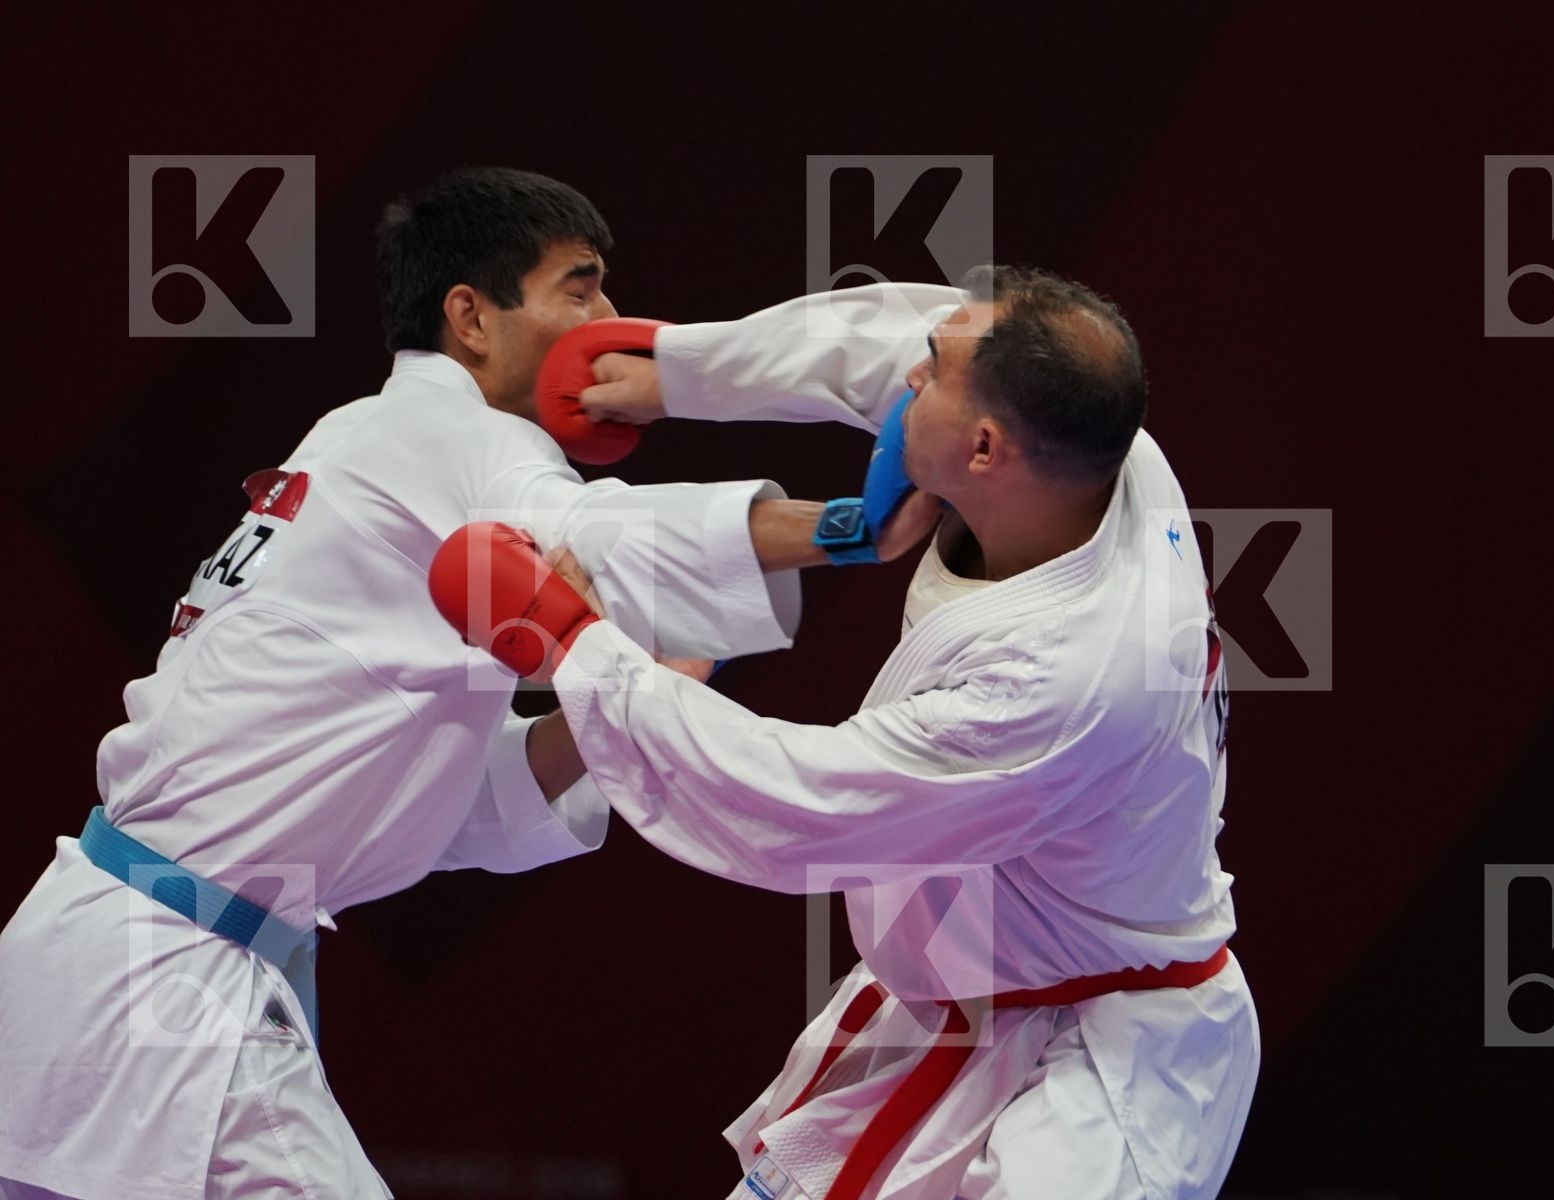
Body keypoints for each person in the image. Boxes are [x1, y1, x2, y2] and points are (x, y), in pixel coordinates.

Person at [0, 167, 925, 1200]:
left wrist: (606, 696)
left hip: (132, 956)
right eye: (579, 288)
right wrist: (845, 530)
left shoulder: (372, 444)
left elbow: (445, 809)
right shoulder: (449, 435)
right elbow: (594, 534)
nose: (609, 320)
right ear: (470, 318)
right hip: (161, 976)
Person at [445, 268, 1260, 1198]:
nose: (908, 377)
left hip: (1097, 1069)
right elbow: (884, 337)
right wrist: (677, 369)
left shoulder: (1065, 677)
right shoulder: (1095, 455)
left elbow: (802, 801)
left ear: (985, 450)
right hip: (970, 995)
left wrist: (581, 649)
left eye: (933, 373)